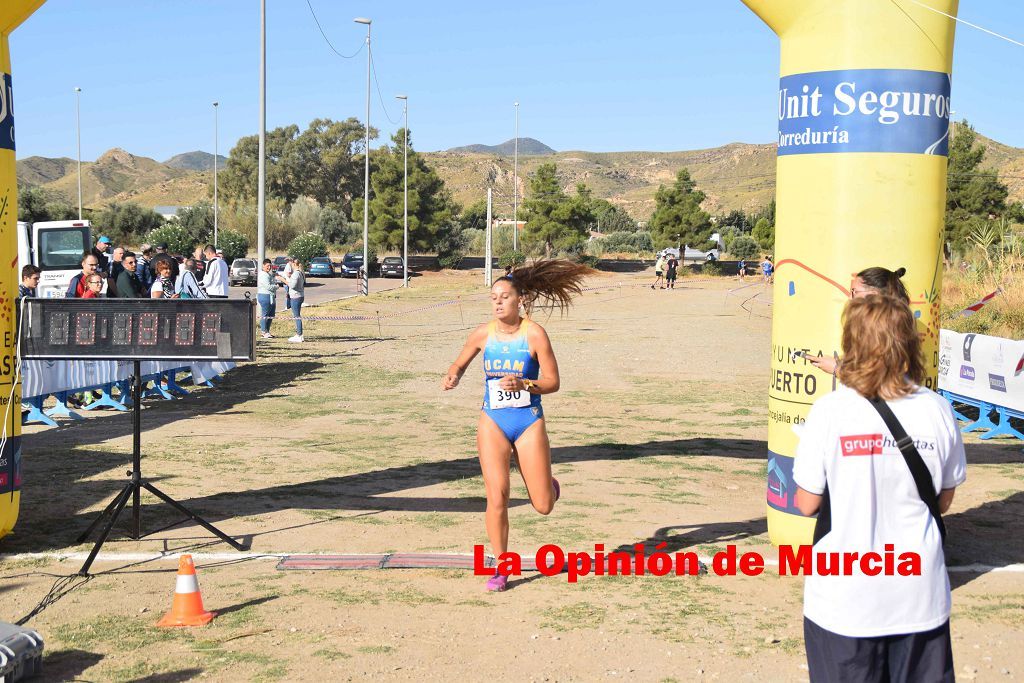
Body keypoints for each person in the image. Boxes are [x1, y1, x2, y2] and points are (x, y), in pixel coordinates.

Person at [793, 294, 965, 683]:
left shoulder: (829, 411)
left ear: (851, 342)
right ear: (908, 341)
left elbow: (806, 503)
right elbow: (945, 498)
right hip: (919, 594)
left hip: (844, 597)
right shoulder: (937, 408)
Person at [442, 260, 593, 591]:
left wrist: (525, 383)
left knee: (542, 506)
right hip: (493, 420)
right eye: (493, 297)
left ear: (520, 300)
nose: (497, 302)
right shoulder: (483, 333)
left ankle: (549, 487)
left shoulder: (534, 334)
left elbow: (552, 382)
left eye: (504, 296)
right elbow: (460, 361)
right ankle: (502, 566)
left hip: (528, 422)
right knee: (497, 497)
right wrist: (453, 373)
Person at [806, 266, 911, 375]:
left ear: (874, 295)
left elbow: (877, 380)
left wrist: (837, 369)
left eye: (854, 292)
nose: (850, 298)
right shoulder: (897, 325)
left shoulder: (884, 332)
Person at [281, 258, 305, 342]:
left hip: (296, 297)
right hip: (300, 296)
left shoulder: (296, 274)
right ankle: (299, 334)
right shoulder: (301, 272)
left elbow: (292, 285)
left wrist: (283, 280)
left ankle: (299, 335)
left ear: (294, 264)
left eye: (291, 264)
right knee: (297, 315)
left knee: (296, 316)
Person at [257, 258, 278, 339]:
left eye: (270, 266)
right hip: (264, 296)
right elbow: (268, 286)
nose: (269, 267)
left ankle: (267, 331)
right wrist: (276, 286)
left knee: (271, 315)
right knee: (265, 314)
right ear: (263, 266)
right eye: (267, 266)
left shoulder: (268, 274)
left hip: (271, 296)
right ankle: (263, 331)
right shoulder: (263, 274)